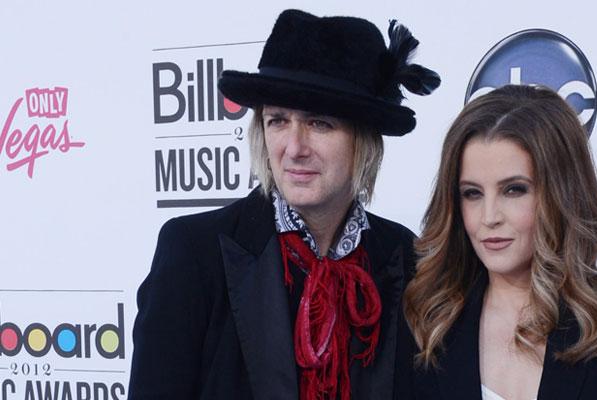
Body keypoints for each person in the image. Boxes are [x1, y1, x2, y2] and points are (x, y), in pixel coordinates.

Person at [129, 9, 439, 400]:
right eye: (277, 120)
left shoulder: (403, 257)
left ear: (363, 140)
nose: (294, 148)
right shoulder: (193, 251)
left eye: (319, 123)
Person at [399, 85, 597, 400]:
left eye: (514, 190)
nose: (489, 217)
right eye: (472, 193)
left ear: (560, 194)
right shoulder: (430, 323)